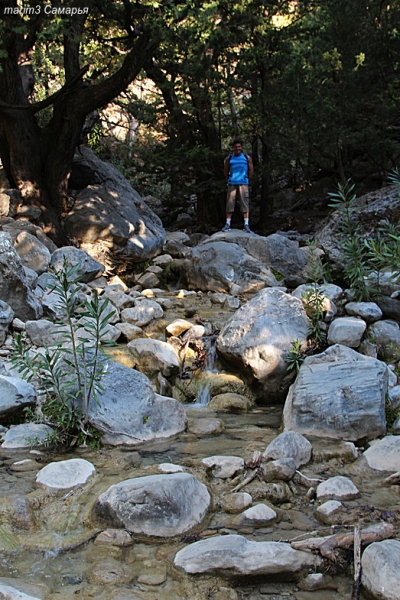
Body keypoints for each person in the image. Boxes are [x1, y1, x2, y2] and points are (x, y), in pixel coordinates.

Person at [222, 139, 254, 233]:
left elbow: (251, 170)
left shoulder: (246, 157)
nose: (237, 148)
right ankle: (227, 224)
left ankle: (246, 225)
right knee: (230, 204)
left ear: (242, 147)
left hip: (243, 183)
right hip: (232, 183)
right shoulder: (229, 158)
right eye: (236, 147)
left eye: (239, 146)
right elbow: (225, 170)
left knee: (244, 203)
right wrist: (229, 178)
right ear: (233, 148)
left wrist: (246, 178)